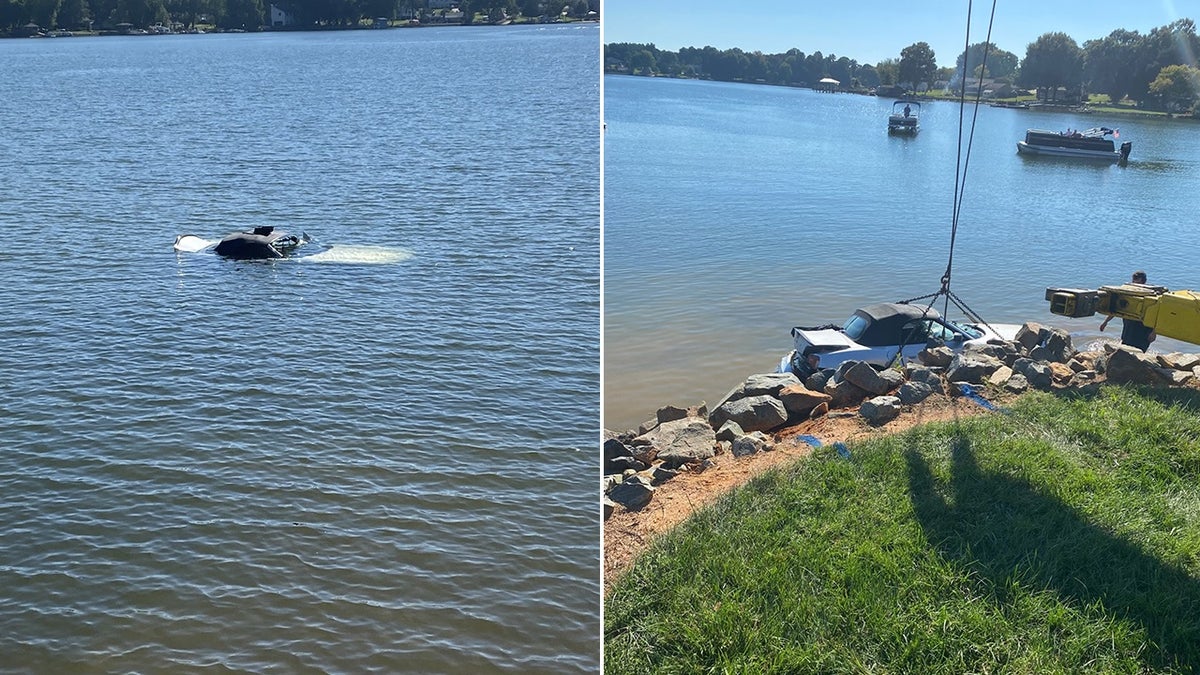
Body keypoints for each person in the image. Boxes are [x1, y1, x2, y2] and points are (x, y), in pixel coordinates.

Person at [1099, 270, 1156, 351]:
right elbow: (1117, 308)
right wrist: (1105, 322)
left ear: (1144, 282)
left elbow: (1158, 315)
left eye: (1138, 283)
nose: (1135, 285)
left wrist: (1154, 332)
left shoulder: (1152, 296)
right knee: (1125, 347)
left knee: (1139, 350)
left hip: (1144, 330)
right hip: (1128, 327)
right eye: (1133, 282)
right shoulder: (1128, 293)